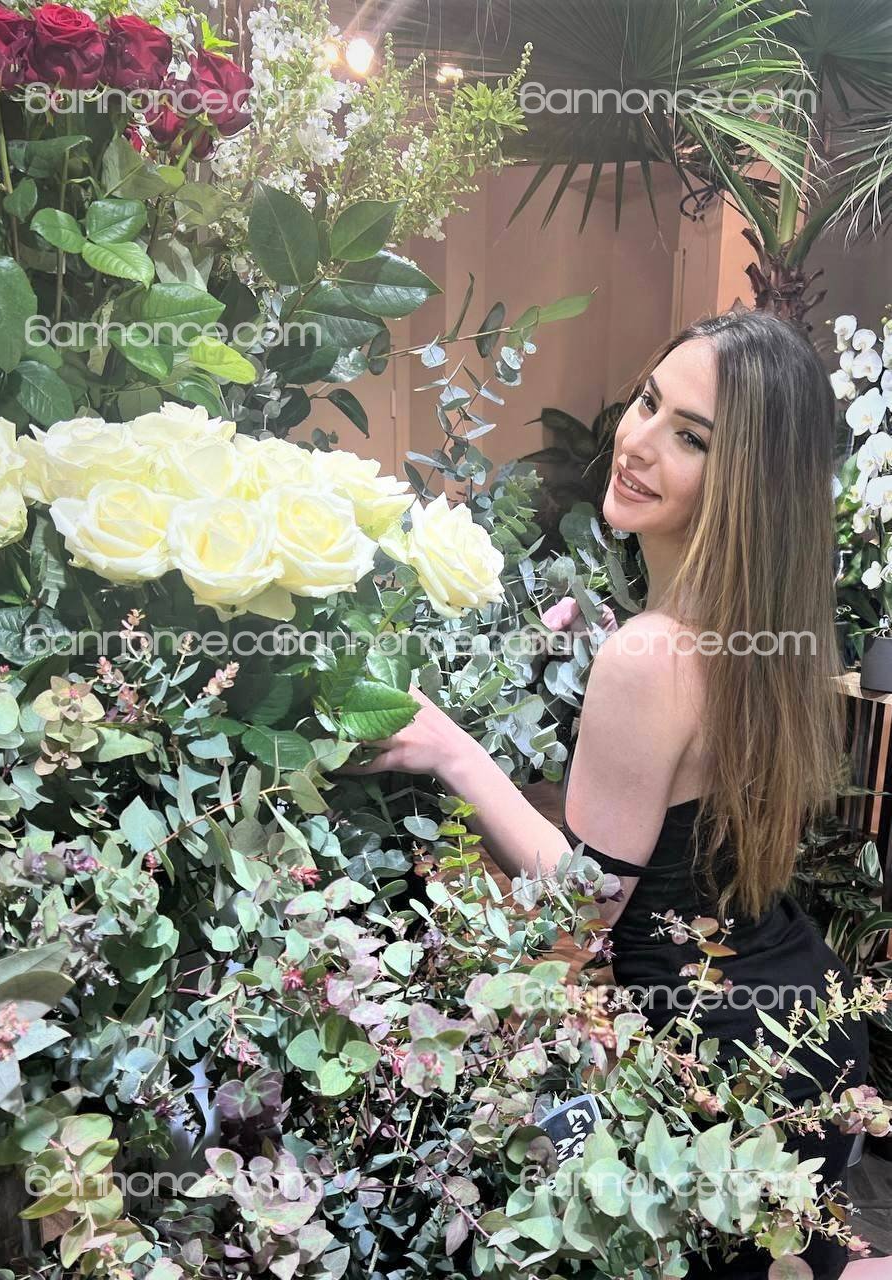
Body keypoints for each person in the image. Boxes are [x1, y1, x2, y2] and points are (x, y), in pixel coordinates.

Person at [343, 309, 877, 1278]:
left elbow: (579, 912)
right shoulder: (770, 640)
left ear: (746, 481)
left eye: (691, 437)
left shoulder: (649, 654)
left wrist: (452, 750)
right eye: (647, 402)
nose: (637, 442)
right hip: (809, 1035)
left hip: (715, 1079)